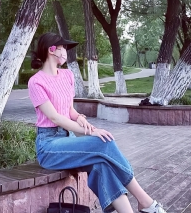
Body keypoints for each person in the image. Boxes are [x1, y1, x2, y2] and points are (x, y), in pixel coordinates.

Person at [28, 32, 167, 213]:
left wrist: (79, 117)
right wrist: (91, 132)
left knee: (102, 165)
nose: (65, 53)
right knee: (104, 142)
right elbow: (55, 117)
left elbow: (68, 110)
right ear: (51, 50)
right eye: (63, 48)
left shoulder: (67, 75)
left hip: (68, 139)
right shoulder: (36, 82)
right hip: (49, 147)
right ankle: (145, 201)